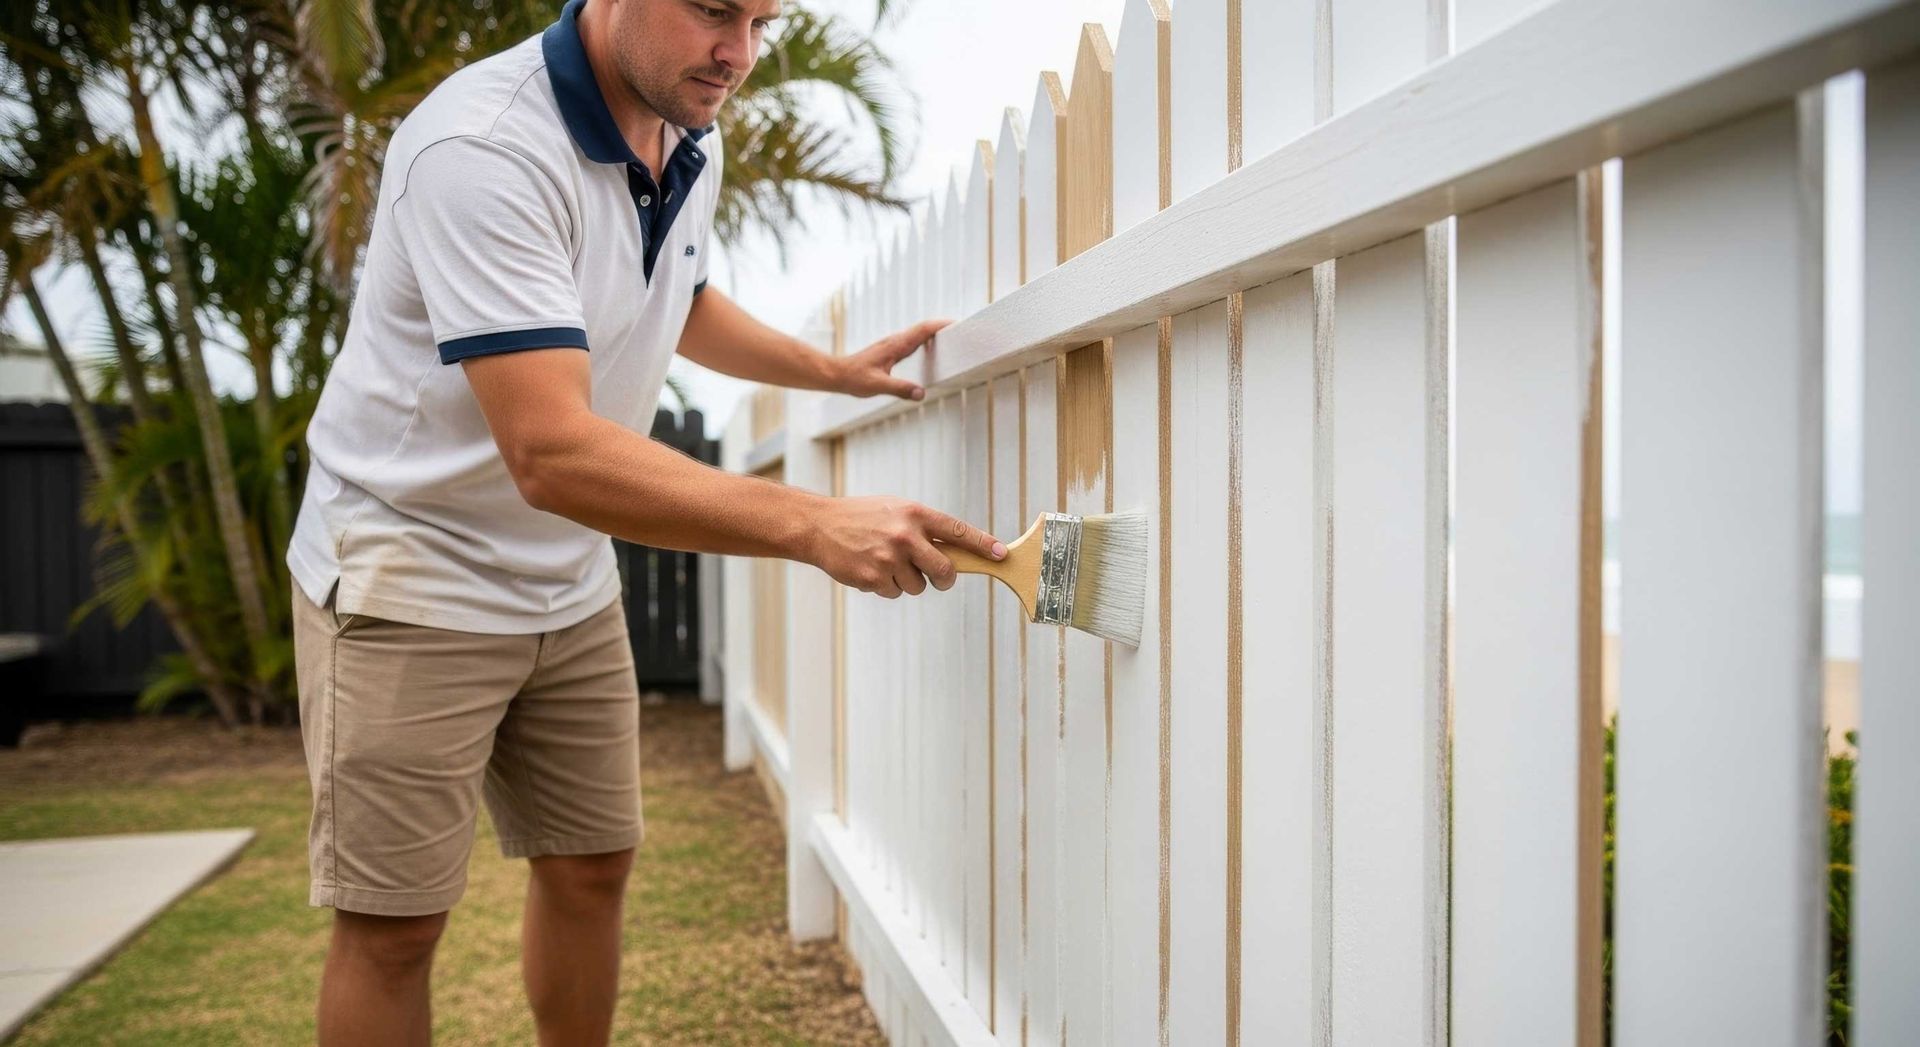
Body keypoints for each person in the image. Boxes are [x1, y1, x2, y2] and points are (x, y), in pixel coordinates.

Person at [285, 0, 1006, 1042]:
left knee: (593, 866)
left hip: (565, 579)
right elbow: (552, 452)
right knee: (394, 927)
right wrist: (811, 524)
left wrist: (828, 372)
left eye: (762, 21)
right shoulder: (481, 146)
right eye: (715, 11)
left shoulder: (684, 134)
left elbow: (676, 292)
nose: (739, 55)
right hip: (411, 571)